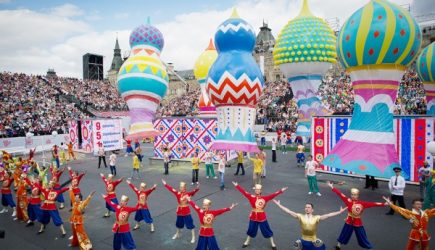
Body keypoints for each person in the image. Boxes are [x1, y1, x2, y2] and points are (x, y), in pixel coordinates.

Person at [327, 182, 387, 250]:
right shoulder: (348, 201)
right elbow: (340, 194)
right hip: (349, 220)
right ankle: (338, 245)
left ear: (358, 195)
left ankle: (369, 247)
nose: (353, 196)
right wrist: (332, 187)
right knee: (344, 232)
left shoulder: (362, 203)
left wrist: (384, 204)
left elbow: (373, 204)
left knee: (362, 235)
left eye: (355, 195)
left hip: (357, 222)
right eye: (352, 194)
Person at [232, 182, 288, 249]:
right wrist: (237, 186)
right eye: (256, 189)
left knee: (266, 229)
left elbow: (273, 195)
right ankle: (247, 241)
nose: (257, 190)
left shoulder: (265, 198)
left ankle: (272, 243)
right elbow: (244, 192)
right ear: (254, 190)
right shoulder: (251, 197)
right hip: (253, 217)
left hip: (262, 217)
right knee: (251, 229)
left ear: (261, 190)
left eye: (258, 189)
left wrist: (281, 190)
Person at [273, 200, 347, 250]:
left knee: (322, 247)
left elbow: (328, 215)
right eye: (306, 207)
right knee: (296, 246)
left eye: (309, 207)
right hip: (303, 240)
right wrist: (279, 205)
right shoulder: (300, 216)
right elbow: (288, 211)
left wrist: (339, 212)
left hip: (313, 241)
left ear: (312, 210)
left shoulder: (316, 217)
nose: (307, 208)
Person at [162, 179, 199, 243]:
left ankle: (193, 237)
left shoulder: (188, 194)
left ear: (184, 187)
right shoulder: (178, 193)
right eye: (180, 186)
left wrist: (197, 189)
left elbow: (194, 191)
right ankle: (177, 234)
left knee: (190, 224)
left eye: (182, 187)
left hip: (186, 211)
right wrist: (165, 184)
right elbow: (171, 189)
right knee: (178, 223)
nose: (180, 188)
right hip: (179, 211)